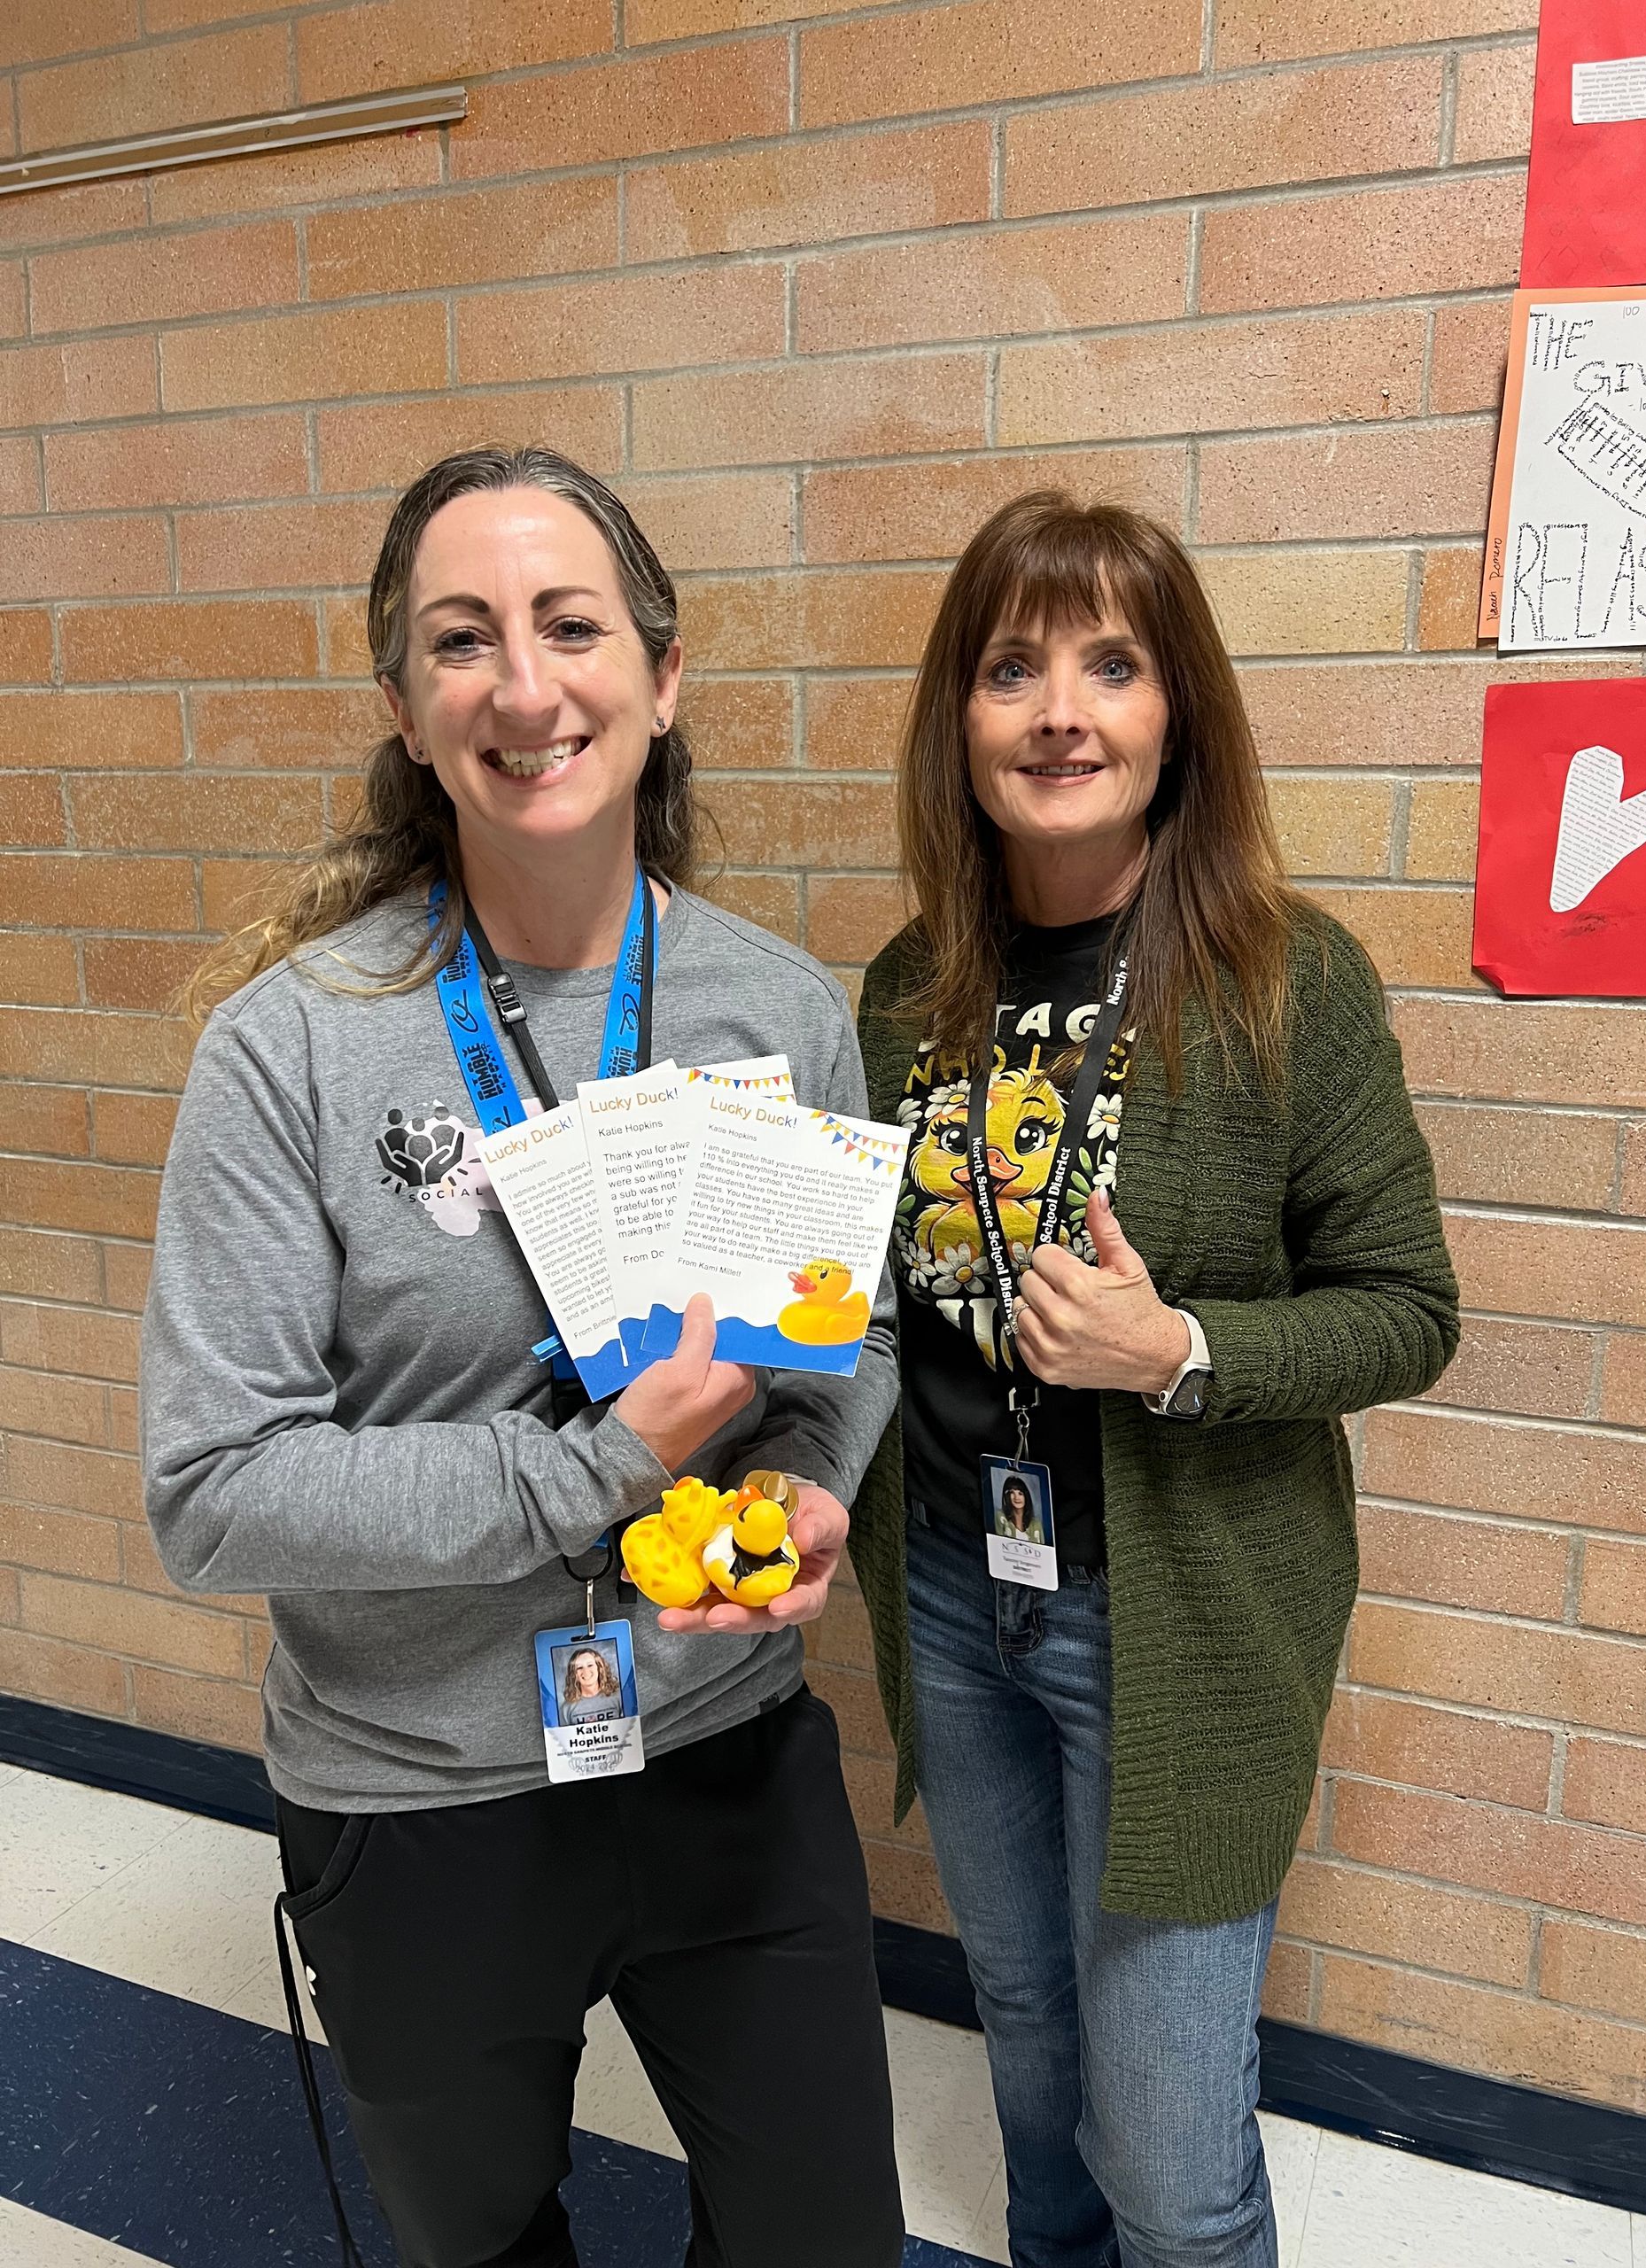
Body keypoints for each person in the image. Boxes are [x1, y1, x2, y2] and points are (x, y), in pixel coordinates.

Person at [141, 446, 905, 2268]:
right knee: (486, 2246)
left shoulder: (775, 1007)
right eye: (460, 638)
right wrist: (593, 1465)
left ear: (662, 671)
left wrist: (806, 1480)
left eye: (570, 624)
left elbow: (837, 1337)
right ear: (404, 706)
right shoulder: (293, 1052)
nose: (525, 682)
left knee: (823, 2241)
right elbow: (211, 1489)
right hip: (419, 1788)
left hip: (722, 1740)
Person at [850, 492, 1459, 2268]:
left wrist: (1179, 1347)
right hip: (962, 1600)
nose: (1062, 711)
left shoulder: (1286, 979)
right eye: (1012, 666)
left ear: (1178, 706)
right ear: (957, 720)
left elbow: (1407, 1307)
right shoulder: (908, 993)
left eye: (1113, 663)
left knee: (1175, 2147)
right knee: (1030, 2052)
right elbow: (875, 1303)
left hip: (1176, 1624)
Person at [559, 1645, 622, 1724]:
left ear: (599, 1668)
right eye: (579, 1668)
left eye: (590, 1665)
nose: (586, 1671)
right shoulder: (566, 1709)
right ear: (573, 1675)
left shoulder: (619, 1698)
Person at [994, 1474, 1037, 1541]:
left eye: (1020, 1494)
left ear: (1026, 1496)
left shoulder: (1036, 1524)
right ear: (1007, 1496)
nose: (1016, 1498)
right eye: (1012, 1493)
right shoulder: (1001, 1517)